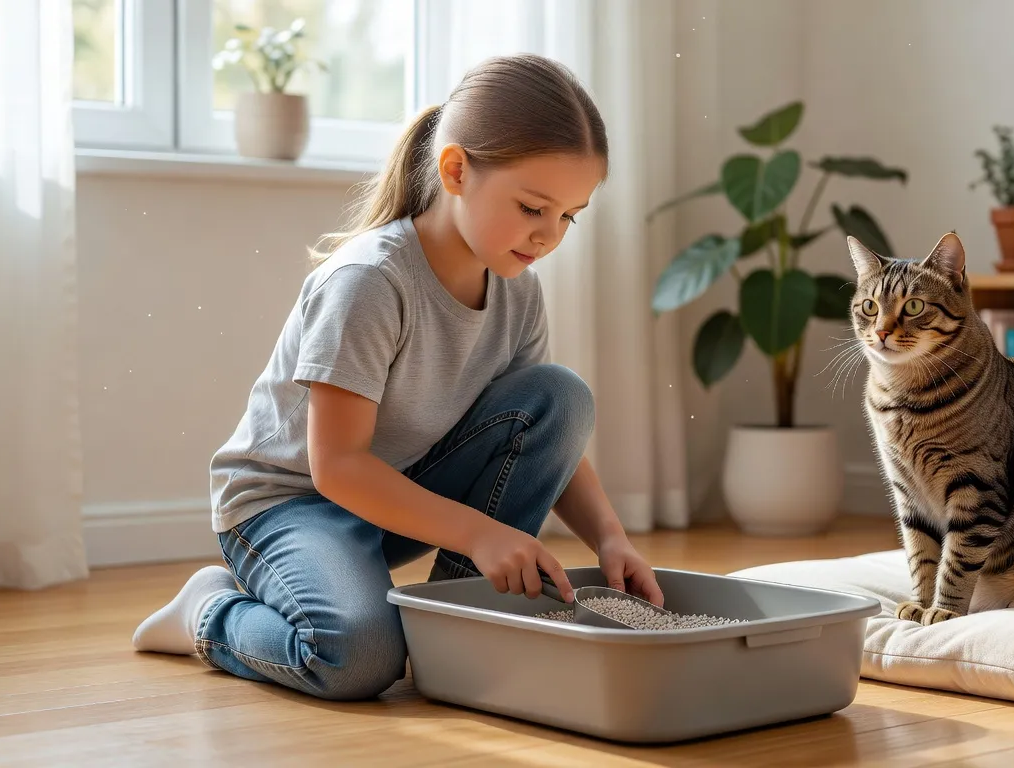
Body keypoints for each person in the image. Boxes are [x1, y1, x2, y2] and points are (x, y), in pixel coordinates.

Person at [131, 53, 663, 701]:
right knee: (358, 659)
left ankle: (456, 624)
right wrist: (479, 532)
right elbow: (337, 468)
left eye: (568, 216)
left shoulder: (519, 293)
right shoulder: (370, 282)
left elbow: (546, 431)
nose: (549, 235)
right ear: (457, 171)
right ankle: (208, 613)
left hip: (397, 496)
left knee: (560, 394)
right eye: (531, 208)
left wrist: (612, 539)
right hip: (287, 506)